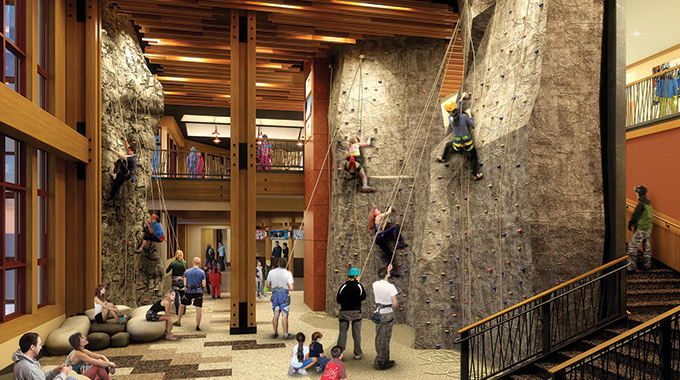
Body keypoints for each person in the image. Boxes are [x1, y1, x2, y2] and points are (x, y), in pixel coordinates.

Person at [436, 94, 483, 180]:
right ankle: (475, 174)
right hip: (469, 146)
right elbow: (472, 125)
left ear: (448, 112)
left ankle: (443, 158)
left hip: (457, 147)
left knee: (447, 145)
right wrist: (469, 114)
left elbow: (454, 110)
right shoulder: (464, 117)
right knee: (474, 157)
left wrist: (461, 99)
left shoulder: (450, 119)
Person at [12, 332, 78, 380]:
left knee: (72, 379)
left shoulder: (26, 360)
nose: (41, 347)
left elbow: (41, 378)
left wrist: (56, 370)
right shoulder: (28, 368)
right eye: (39, 345)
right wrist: (63, 374)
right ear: (32, 347)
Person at [336, 267, 366, 360]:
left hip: (344, 312)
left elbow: (338, 299)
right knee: (356, 333)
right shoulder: (359, 286)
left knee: (342, 332)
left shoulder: (343, 286)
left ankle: (339, 353)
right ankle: (357, 353)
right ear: (356, 276)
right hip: (356, 312)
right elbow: (363, 297)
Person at [372, 264, 398, 370]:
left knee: (379, 336)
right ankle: (383, 361)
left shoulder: (375, 284)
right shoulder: (391, 287)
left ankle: (380, 357)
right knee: (385, 338)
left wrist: (388, 271)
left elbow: (383, 278)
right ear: (387, 274)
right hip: (387, 314)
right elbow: (395, 303)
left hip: (378, 312)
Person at [367, 207, 408, 274]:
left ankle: (389, 271)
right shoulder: (378, 216)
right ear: (375, 213)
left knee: (389, 254)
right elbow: (388, 212)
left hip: (378, 239)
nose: (379, 210)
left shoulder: (376, 220)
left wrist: (385, 223)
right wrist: (390, 208)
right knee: (395, 228)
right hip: (379, 236)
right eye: (377, 210)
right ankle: (398, 242)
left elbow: (381, 229)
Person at [266, 258, 294, 339]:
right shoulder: (288, 273)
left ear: (278, 264)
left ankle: (275, 332)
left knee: (275, 314)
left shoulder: (271, 272)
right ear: (285, 265)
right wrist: (285, 287)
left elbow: (267, 285)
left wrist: (275, 287)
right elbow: (291, 288)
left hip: (275, 294)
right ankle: (285, 334)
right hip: (284, 295)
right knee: (284, 315)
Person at [627, 185, 653, 271]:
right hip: (648, 228)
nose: (636, 194)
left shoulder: (641, 204)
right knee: (646, 247)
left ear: (639, 194)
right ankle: (647, 264)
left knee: (632, 247)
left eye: (636, 193)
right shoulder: (648, 205)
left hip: (641, 228)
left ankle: (631, 266)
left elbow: (635, 215)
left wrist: (631, 223)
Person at [176, 257, 206, 331]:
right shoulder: (202, 272)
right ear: (199, 263)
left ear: (193, 262)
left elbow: (185, 283)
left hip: (188, 292)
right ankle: (197, 325)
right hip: (198, 292)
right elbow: (204, 284)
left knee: (182, 305)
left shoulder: (187, 272)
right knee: (198, 309)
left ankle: (178, 321)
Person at [106, 136, 137, 204]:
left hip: (127, 173)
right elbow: (128, 147)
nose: (128, 151)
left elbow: (122, 155)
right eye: (128, 150)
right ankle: (111, 199)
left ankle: (114, 174)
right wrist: (125, 140)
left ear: (133, 152)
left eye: (129, 151)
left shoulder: (132, 157)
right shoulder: (133, 156)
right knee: (116, 184)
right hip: (126, 174)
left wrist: (113, 150)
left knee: (120, 161)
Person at [166, 250, 187, 314]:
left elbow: (167, 271)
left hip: (175, 280)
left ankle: (178, 311)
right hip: (181, 280)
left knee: (176, 296)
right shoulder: (185, 263)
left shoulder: (173, 263)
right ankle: (183, 311)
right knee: (183, 296)